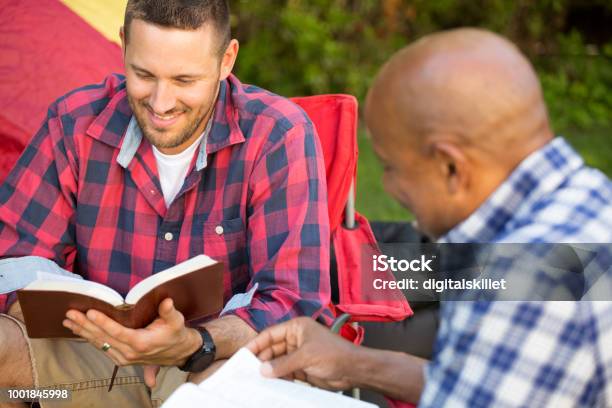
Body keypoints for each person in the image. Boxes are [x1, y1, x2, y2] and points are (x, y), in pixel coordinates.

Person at [247, 28, 612, 407]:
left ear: (451, 166)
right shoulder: (589, 200)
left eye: (391, 167)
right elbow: (478, 385)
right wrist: (355, 364)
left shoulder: (521, 279)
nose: (388, 187)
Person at [0, 0, 331, 406]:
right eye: (143, 75)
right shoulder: (74, 123)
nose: (160, 103)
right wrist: (43, 310)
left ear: (227, 60)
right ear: (123, 45)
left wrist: (194, 343)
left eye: (184, 80)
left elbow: (293, 303)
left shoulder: (279, 134)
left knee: (228, 388)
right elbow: (13, 261)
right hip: (91, 361)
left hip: (209, 364)